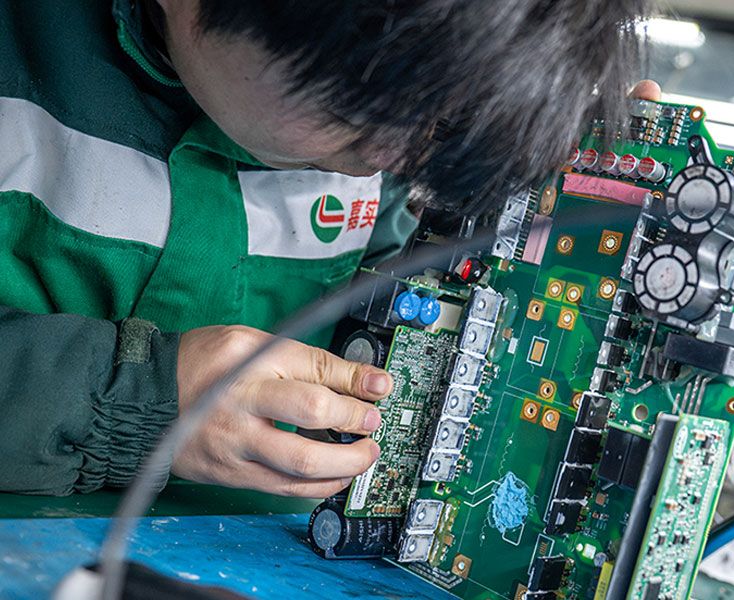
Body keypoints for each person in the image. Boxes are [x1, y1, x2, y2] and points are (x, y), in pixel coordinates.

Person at [0, 0, 658, 498]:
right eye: (356, 106)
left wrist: (520, 217)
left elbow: (401, 335)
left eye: (438, 119)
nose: (388, 158)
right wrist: (130, 399)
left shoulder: (379, 145)